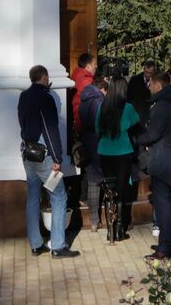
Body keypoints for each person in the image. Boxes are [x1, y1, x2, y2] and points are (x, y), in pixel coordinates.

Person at [17, 65, 80, 258]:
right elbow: (50, 128)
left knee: (33, 197)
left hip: (28, 154)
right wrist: (57, 158)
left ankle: (36, 244)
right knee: (59, 196)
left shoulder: (24, 95)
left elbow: (22, 121)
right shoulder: (45, 97)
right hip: (45, 157)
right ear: (44, 77)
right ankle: (59, 246)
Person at [135, 71, 171, 261]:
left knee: (163, 205)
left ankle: (164, 248)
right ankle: (169, 242)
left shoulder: (162, 106)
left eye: (151, 84)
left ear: (158, 85)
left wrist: (137, 138)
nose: (149, 87)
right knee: (168, 204)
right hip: (170, 159)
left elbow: (152, 135)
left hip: (162, 161)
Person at [97, 75, 141, 241]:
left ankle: (110, 231)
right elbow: (137, 126)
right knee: (121, 192)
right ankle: (120, 229)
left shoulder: (102, 105)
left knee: (110, 191)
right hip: (122, 152)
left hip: (104, 152)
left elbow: (97, 128)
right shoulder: (128, 107)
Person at [78, 74, 106, 230]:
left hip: (87, 142)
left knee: (92, 180)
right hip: (98, 144)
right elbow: (100, 124)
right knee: (98, 182)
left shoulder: (84, 99)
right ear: (101, 88)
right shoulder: (98, 101)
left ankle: (94, 221)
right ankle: (97, 219)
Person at [128, 59, 158, 123]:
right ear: (144, 69)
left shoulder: (157, 81)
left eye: (150, 73)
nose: (147, 75)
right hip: (137, 113)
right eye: (146, 72)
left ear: (154, 72)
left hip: (152, 113)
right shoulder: (134, 80)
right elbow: (129, 97)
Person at [71, 52, 95, 124]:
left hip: (78, 119)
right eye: (94, 64)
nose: (96, 66)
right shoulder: (87, 81)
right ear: (88, 67)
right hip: (84, 122)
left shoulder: (77, 76)